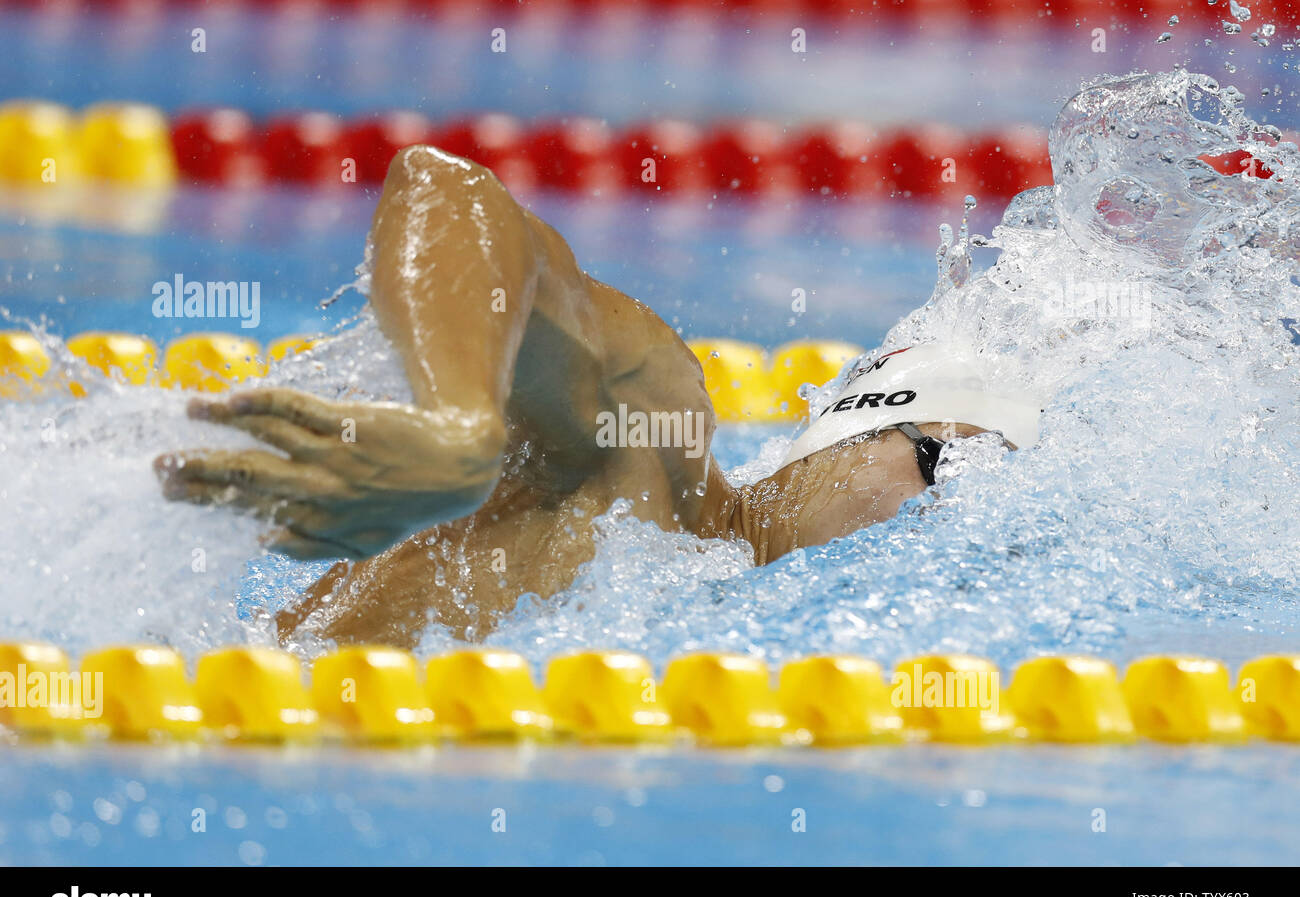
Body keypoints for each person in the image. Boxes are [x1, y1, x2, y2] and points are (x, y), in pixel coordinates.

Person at [154, 145, 1039, 646]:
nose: (947, 525)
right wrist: (458, 430)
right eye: (940, 462)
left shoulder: (707, 621)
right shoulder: (655, 440)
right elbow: (445, 190)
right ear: (845, 441)